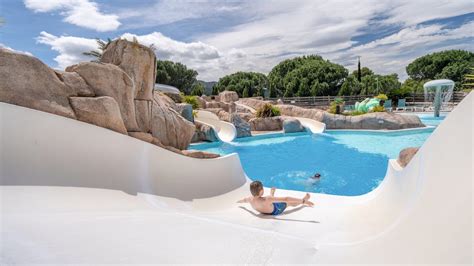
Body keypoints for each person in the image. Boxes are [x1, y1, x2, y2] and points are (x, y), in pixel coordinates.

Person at [237, 181, 314, 215]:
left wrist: (239, 201)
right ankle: (304, 199)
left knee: (270, 200)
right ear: (261, 191)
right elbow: (286, 198)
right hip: (275, 210)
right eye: (262, 188)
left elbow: (244, 200)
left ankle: (272, 193)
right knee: (289, 203)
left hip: (265, 210)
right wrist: (303, 201)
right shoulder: (267, 199)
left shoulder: (250, 199)